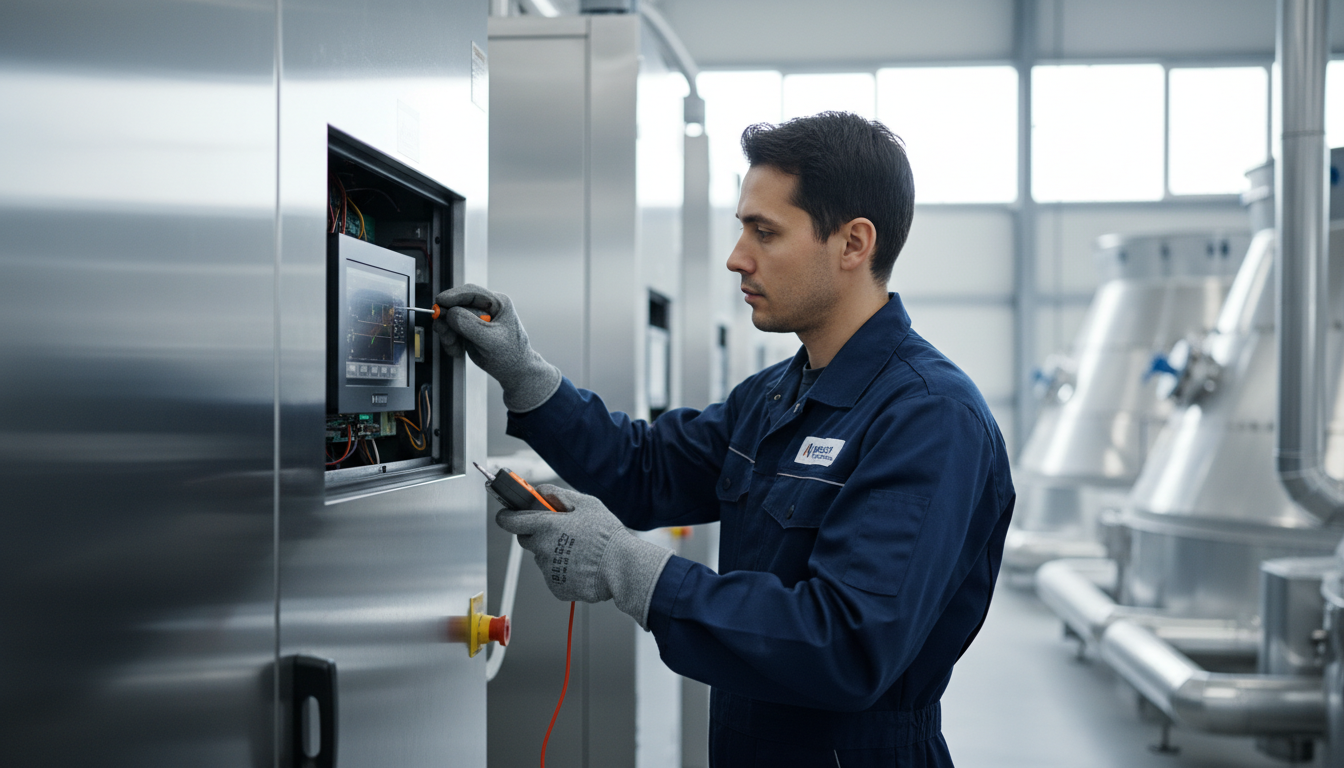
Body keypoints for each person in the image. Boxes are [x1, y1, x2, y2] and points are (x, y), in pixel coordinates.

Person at [435, 111, 1015, 767]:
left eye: (764, 233)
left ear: (853, 244)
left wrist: (632, 569)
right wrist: (524, 372)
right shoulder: (776, 395)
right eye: (743, 229)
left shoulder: (928, 419)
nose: (738, 258)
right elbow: (645, 470)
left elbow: (848, 646)